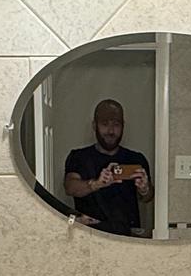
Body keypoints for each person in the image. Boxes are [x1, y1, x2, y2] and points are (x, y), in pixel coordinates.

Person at [63, 98, 151, 236]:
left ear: (123, 126)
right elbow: (70, 187)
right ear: (94, 125)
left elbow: (147, 198)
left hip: (128, 238)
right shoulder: (79, 157)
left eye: (116, 124)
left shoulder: (136, 159)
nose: (111, 131)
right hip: (89, 235)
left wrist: (145, 190)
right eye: (104, 124)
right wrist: (96, 184)